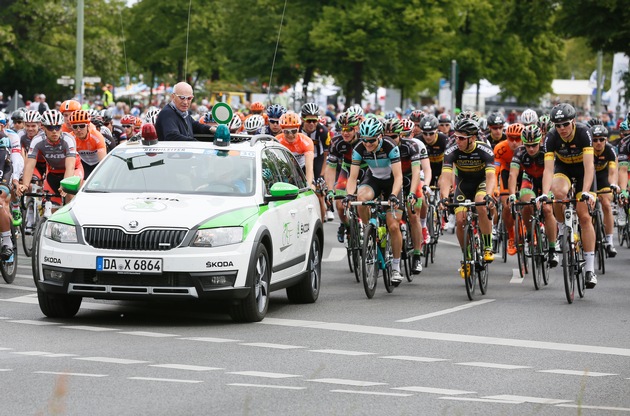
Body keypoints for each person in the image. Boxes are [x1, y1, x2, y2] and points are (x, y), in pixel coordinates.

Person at [538, 103, 597, 288]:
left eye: (565, 124)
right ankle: (563, 228)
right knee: (557, 193)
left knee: (584, 216)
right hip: (563, 168)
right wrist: (545, 193)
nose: (562, 129)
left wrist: (586, 192)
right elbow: (548, 170)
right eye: (558, 125)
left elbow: (589, 167)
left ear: (573, 121)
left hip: (582, 172)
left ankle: (589, 270)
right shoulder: (551, 137)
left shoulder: (583, 133)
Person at [344, 118, 404, 283]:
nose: (367, 144)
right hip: (374, 180)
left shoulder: (390, 146)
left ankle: (396, 267)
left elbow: (398, 176)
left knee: (393, 225)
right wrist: (349, 195)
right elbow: (353, 177)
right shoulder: (359, 148)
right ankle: (368, 229)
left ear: (380, 136)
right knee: (361, 198)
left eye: (371, 140)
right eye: (364, 140)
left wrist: (393, 194)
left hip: (392, 182)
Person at [439, 118, 497, 277]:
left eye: (462, 138)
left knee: (481, 203)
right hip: (463, 184)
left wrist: (489, 195)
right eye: (456, 137)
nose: (457, 140)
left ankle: (487, 246)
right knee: (460, 220)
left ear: (472, 138)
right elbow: (445, 176)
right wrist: (444, 197)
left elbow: (491, 177)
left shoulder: (485, 150)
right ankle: (466, 257)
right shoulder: (452, 151)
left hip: (481, 183)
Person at [508, 125, 559, 267]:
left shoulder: (546, 150)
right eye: (528, 145)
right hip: (529, 179)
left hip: (546, 180)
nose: (531, 149)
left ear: (540, 141)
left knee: (548, 209)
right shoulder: (519, 152)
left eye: (534, 145)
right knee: (526, 204)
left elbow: (552, 172)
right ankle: (530, 236)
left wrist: (546, 192)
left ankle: (552, 248)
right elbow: (513, 174)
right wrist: (512, 194)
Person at [17, 110, 84, 207]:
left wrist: (65, 186)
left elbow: (70, 167)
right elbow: (30, 165)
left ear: (61, 127)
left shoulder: (68, 139)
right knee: (50, 208)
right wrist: (25, 185)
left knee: (70, 197)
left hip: (74, 170)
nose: (54, 131)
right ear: (43, 127)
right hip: (53, 173)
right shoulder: (37, 140)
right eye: (50, 127)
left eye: (57, 127)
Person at [324, 112, 365, 242]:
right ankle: (346, 225)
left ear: (356, 128)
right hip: (347, 169)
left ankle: (369, 229)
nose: (345, 133)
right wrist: (330, 189)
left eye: (349, 129)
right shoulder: (336, 141)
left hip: (365, 169)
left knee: (363, 201)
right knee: (340, 205)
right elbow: (330, 168)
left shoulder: (364, 139)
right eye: (343, 129)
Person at [494, 123, 523, 256]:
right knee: (506, 205)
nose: (514, 142)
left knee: (527, 201)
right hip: (506, 172)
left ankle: (532, 231)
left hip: (524, 172)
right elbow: (494, 172)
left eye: (517, 138)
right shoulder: (500, 148)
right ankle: (511, 235)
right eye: (511, 138)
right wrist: (495, 188)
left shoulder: (529, 147)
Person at [591, 125, 618, 257]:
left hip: (603, 177)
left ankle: (609, 241)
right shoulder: (587, 150)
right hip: (589, 178)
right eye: (595, 140)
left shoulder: (610, 150)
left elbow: (613, 172)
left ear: (606, 140)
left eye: (601, 139)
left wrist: (613, 184)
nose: (598, 143)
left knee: (606, 204)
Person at [0, 113, 24, 260]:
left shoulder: (7, 138)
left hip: (5, 169)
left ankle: (7, 241)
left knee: (1, 201)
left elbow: (13, 159)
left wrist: (15, 179)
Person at [276, 112, 315, 192]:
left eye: (293, 131)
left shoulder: (306, 141)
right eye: (286, 132)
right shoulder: (277, 140)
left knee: (313, 188)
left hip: (302, 167)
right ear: (282, 130)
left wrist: (308, 187)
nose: (290, 135)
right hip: (286, 168)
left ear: (298, 129)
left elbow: (309, 168)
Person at [68, 110, 107, 178]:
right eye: (75, 127)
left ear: (88, 126)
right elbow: (70, 164)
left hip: (98, 163)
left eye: (82, 126)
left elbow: (103, 163)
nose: (78, 130)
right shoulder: (71, 138)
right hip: (84, 164)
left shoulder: (97, 136)